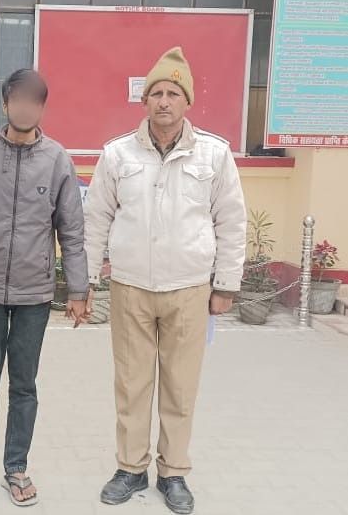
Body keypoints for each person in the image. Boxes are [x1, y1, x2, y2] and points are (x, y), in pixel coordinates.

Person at [84, 47, 246, 515]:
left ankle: (173, 472)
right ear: (145, 100)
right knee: (131, 385)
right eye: (156, 93)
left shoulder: (214, 154)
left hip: (189, 289)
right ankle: (130, 468)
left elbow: (231, 220)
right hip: (131, 288)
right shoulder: (118, 153)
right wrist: (86, 280)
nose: (164, 101)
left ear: (187, 101)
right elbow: (95, 219)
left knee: (179, 387)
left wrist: (225, 285)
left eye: (173, 93)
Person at [0, 69, 88, 507]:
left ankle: (16, 467)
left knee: (24, 385)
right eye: (18, 99)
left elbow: (72, 231)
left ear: (42, 108)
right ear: (6, 103)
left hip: (34, 294)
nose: (25, 108)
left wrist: (78, 291)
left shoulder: (57, 160)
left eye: (34, 101)